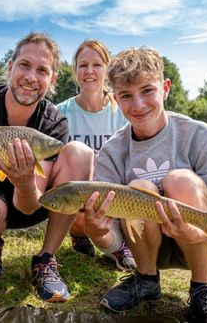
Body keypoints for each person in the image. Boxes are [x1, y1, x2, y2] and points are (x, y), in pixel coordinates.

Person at [85, 47, 207, 322]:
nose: (138, 105)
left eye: (147, 90)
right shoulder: (111, 152)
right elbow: (112, 237)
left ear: (165, 88)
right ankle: (146, 279)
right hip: (146, 247)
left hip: (200, 242)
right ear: (115, 99)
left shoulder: (201, 136)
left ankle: (202, 289)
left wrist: (198, 233)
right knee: (139, 187)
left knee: (180, 180)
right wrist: (98, 234)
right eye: (126, 95)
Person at [0, 32, 94, 302]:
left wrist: (24, 181)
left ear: (52, 79)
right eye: (24, 65)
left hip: (32, 199)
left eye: (42, 70)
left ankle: (45, 259)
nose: (31, 78)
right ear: (10, 66)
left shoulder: (53, 122)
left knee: (80, 153)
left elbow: (28, 206)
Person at [55, 39, 135, 272]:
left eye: (97, 65)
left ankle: (122, 244)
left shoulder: (122, 111)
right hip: (81, 193)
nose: (89, 71)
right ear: (75, 71)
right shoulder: (60, 113)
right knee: (79, 208)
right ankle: (79, 234)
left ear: (107, 70)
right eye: (83, 65)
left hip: (117, 190)